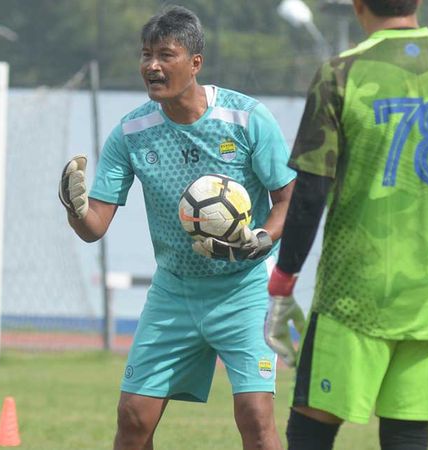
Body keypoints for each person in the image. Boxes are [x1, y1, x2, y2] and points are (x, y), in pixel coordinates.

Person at [262, 0, 428, 448]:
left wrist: (282, 283)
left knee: (313, 424)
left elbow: (310, 194)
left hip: (352, 295)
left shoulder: (339, 74)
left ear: (357, 5)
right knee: (408, 434)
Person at [58, 6, 296, 450]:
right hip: (175, 291)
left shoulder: (246, 119)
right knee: (133, 420)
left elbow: (288, 199)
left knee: (256, 418)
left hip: (243, 288)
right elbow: (94, 227)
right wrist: (74, 206)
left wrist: (263, 237)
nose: (152, 65)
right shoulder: (132, 131)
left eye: (166, 55)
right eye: (146, 55)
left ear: (195, 63)